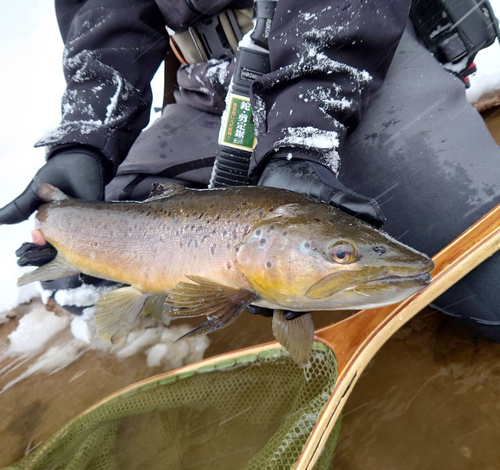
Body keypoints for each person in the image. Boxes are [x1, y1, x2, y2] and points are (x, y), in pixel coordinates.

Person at [0, 0, 499, 337]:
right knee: (76, 286)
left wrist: (302, 136)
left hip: (346, 53)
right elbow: (102, 10)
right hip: (207, 82)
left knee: (493, 295)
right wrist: (87, 139)